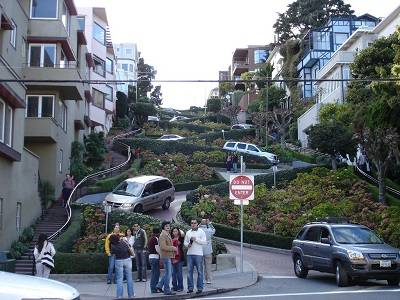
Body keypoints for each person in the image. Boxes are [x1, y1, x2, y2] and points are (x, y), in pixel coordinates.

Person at [184, 218, 207, 294]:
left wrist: (196, 239)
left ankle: (200, 288)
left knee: (200, 272)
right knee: (189, 272)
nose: (193, 224)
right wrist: (188, 245)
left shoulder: (201, 232)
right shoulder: (188, 232)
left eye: (194, 223)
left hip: (198, 254)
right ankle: (190, 288)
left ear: (197, 224)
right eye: (192, 223)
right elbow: (185, 243)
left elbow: (204, 242)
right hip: (190, 254)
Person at [110, 234, 135, 299]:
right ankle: (131, 295)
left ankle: (119, 296)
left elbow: (112, 253)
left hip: (118, 261)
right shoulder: (123, 242)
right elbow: (129, 247)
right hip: (127, 260)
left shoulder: (113, 246)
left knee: (119, 279)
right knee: (129, 278)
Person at [157, 220, 177, 296]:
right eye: (166, 226)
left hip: (168, 256)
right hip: (166, 256)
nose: (168, 227)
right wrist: (173, 248)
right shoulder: (163, 235)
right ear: (163, 227)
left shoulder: (167, 234)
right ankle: (167, 290)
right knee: (169, 273)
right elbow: (163, 247)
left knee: (168, 273)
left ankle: (159, 285)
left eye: (168, 226)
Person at [199, 218, 216, 284]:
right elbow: (214, 230)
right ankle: (208, 279)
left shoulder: (199, 230)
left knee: (200, 265)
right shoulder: (209, 230)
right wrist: (209, 223)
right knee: (208, 265)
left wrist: (200, 223)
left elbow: (195, 228)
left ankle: (201, 279)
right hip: (208, 250)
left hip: (200, 250)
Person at [148, 227, 162, 294]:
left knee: (155, 273)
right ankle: (154, 289)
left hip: (151, 257)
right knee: (155, 274)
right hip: (155, 257)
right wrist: (161, 255)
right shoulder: (155, 238)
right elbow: (157, 249)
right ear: (158, 233)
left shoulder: (150, 238)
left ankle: (154, 288)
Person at [171, 227, 184, 292]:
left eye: (176, 231)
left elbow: (183, 234)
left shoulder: (181, 238)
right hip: (172, 257)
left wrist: (179, 230)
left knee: (179, 273)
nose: (175, 233)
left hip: (179, 258)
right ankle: (174, 286)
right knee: (173, 273)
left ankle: (180, 287)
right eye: (173, 231)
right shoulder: (170, 239)